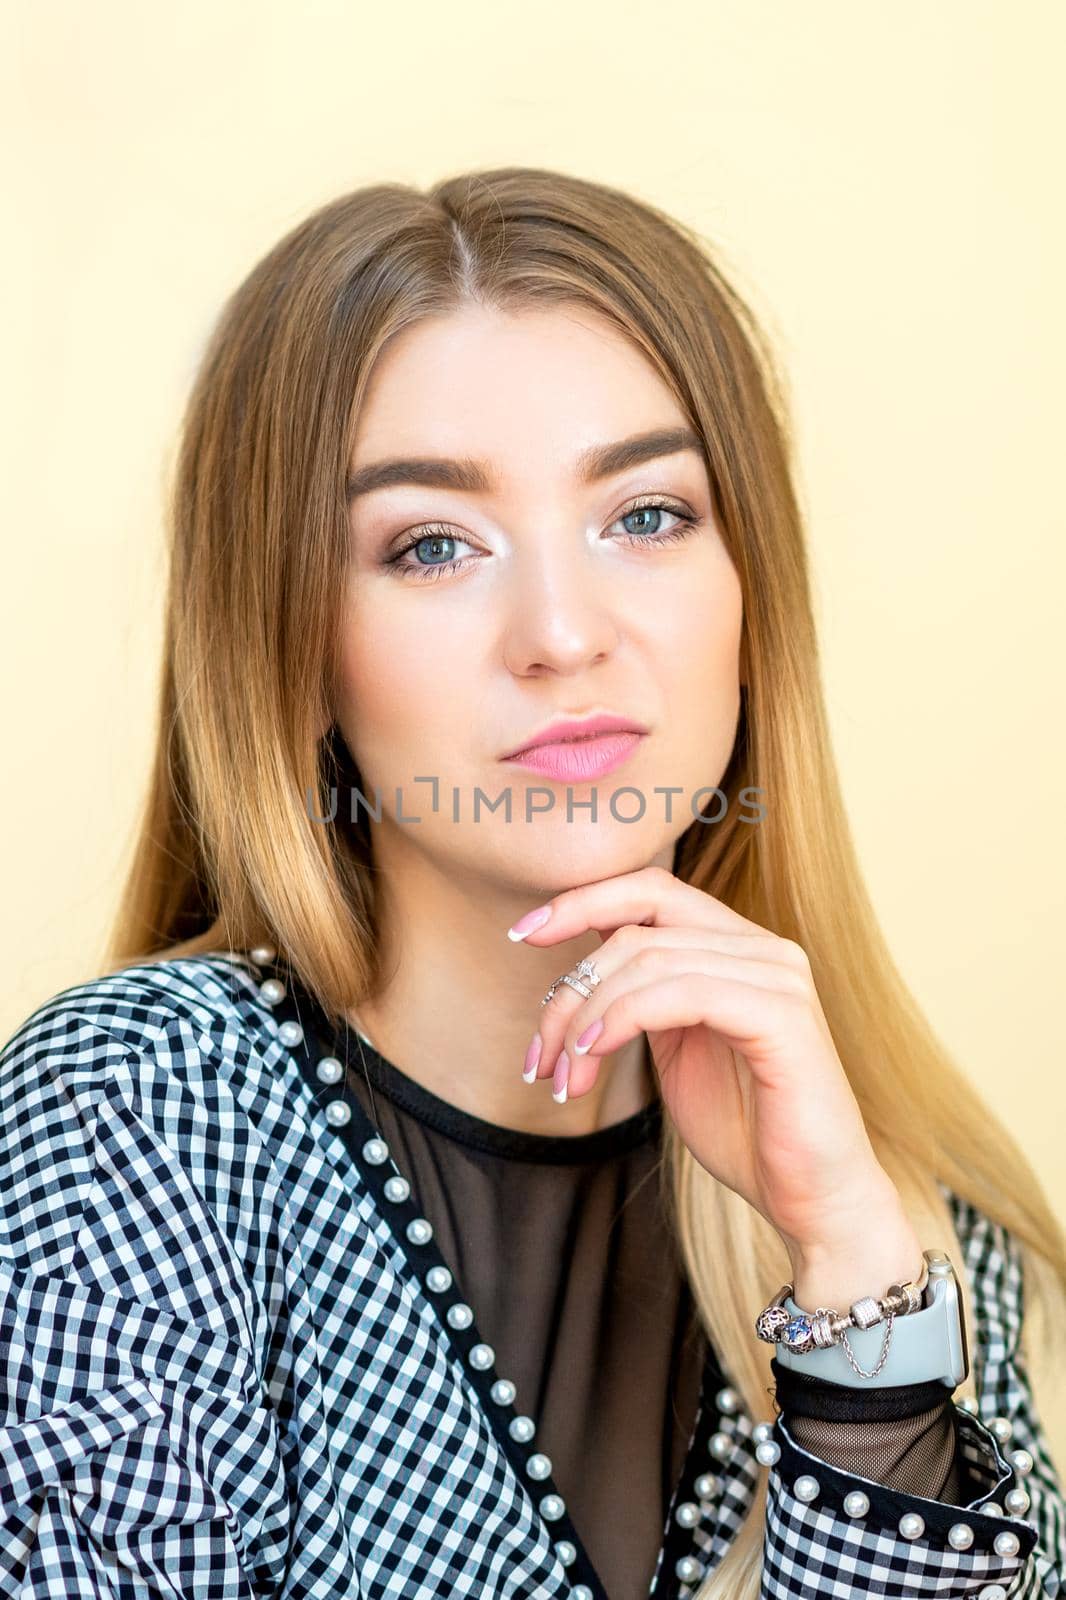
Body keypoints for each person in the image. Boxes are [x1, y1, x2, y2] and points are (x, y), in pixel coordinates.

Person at [1, 166, 1063, 1600]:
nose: (563, 634)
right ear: (291, 650)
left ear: (752, 599)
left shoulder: (901, 1235)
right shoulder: (143, 1116)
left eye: (645, 515)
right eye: (432, 545)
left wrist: (861, 1335)